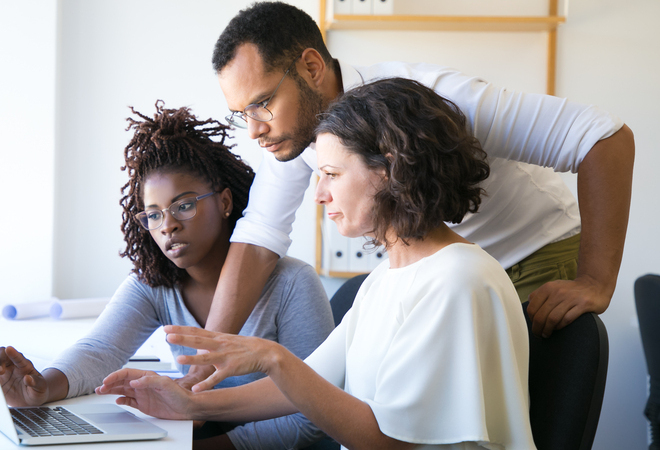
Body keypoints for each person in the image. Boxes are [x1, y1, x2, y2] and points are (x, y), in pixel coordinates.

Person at [180, 1, 635, 388]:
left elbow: (603, 137)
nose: (254, 129)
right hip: (446, 277)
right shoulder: (293, 134)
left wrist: (596, 279)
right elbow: (259, 236)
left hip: (534, 255)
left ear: (312, 67)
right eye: (242, 114)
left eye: (261, 103)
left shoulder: (438, 101)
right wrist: (203, 367)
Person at [97, 78, 536, 450]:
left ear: (389, 170)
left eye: (332, 174)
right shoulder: (387, 277)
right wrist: (188, 404)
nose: (320, 193)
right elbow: (307, 385)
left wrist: (272, 357)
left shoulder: (457, 280)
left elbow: (387, 442)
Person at [0, 102, 335, 450]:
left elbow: (311, 417)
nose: (167, 225)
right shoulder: (155, 284)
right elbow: (101, 349)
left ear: (225, 202)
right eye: (153, 215)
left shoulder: (293, 284)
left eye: (184, 205)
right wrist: (43, 387)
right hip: (194, 433)